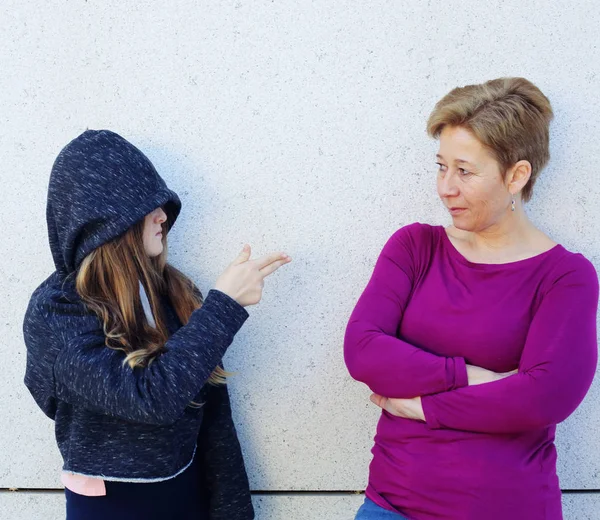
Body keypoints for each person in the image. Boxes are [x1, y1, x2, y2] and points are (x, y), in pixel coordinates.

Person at [344, 78, 598, 520]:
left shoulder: (565, 276)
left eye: (465, 171)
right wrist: (475, 376)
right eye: (441, 166)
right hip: (392, 507)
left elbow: (545, 398)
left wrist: (423, 407)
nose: (445, 187)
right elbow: (363, 351)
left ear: (516, 175)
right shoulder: (415, 248)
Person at [23, 129, 291, 520]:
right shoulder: (57, 312)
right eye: (147, 206)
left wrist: (234, 513)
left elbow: (213, 419)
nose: (163, 215)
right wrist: (224, 306)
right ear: (106, 219)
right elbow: (151, 400)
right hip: (112, 506)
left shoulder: (176, 292)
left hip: (190, 491)